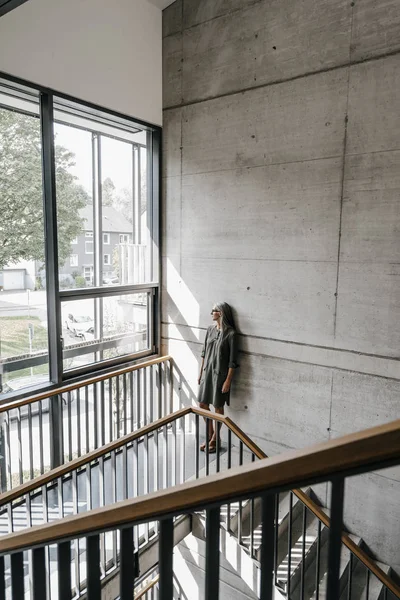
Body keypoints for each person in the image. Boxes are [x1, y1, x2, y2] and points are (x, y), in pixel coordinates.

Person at [197, 302, 238, 452]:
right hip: (207, 373)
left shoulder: (231, 334)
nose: (211, 313)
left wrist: (228, 380)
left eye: (214, 310)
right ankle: (211, 434)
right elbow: (203, 353)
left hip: (220, 376)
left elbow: (233, 362)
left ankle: (215, 440)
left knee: (218, 407)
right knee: (202, 404)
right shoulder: (210, 330)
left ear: (221, 313)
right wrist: (201, 373)